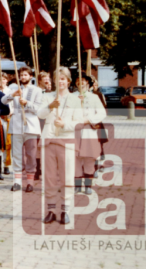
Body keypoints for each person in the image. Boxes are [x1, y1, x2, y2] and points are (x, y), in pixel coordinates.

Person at [38, 67, 83, 225]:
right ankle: (51, 210)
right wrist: (51, 106)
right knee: (49, 177)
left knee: (67, 177)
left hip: (67, 142)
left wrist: (64, 124)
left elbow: (79, 123)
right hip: (49, 141)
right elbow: (40, 114)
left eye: (63, 78)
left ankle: (65, 210)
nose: (60, 81)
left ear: (68, 81)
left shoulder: (75, 100)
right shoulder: (47, 96)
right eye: (57, 78)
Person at [1, 67, 42, 193]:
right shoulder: (15, 89)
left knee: (31, 155)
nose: (23, 77)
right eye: (21, 75)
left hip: (31, 127)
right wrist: (13, 95)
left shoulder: (37, 90)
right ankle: (17, 182)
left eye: (25, 75)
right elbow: (3, 101)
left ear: (30, 76)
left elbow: (38, 109)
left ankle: (30, 182)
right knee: (17, 154)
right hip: (16, 127)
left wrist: (27, 103)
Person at [73, 72, 107, 195]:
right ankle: (77, 185)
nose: (80, 82)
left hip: (89, 131)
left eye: (82, 80)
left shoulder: (94, 97)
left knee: (89, 159)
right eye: (78, 80)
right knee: (75, 159)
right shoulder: (71, 96)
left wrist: (89, 120)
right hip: (74, 131)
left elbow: (102, 113)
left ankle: (88, 185)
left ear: (87, 82)